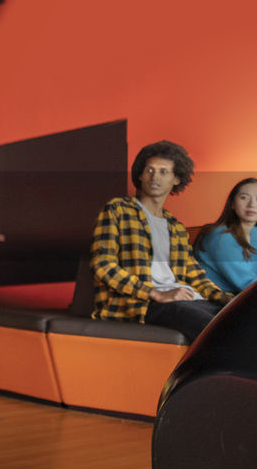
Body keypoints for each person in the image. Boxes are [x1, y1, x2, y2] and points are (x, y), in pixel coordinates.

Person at [90, 140, 232, 341]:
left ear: (176, 179)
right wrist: (155, 293)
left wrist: (225, 297)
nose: (154, 176)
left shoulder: (176, 227)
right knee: (212, 331)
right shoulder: (117, 210)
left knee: (237, 319)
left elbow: (194, 275)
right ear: (140, 174)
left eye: (163, 172)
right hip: (143, 303)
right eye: (149, 170)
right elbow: (102, 265)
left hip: (184, 298)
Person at [192, 177, 257, 293]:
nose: (252, 204)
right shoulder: (220, 235)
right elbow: (245, 282)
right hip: (211, 301)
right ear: (232, 204)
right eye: (244, 198)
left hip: (240, 299)